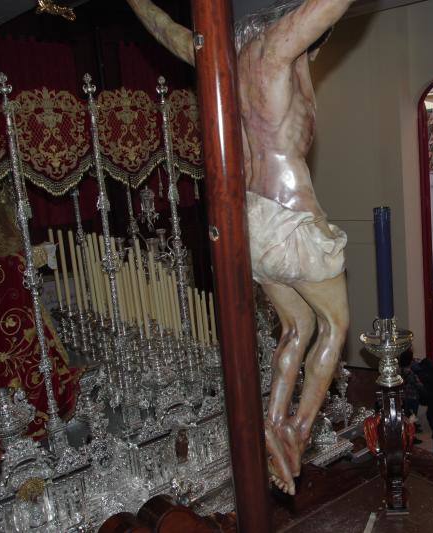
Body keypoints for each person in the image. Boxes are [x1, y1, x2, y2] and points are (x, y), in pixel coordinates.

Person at [128, 0, 355, 495]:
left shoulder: (219, 58)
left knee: (298, 325)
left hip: (249, 222)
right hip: (290, 218)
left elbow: (166, 30)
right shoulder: (275, 48)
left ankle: (274, 422)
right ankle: (296, 433)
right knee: (335, 325)